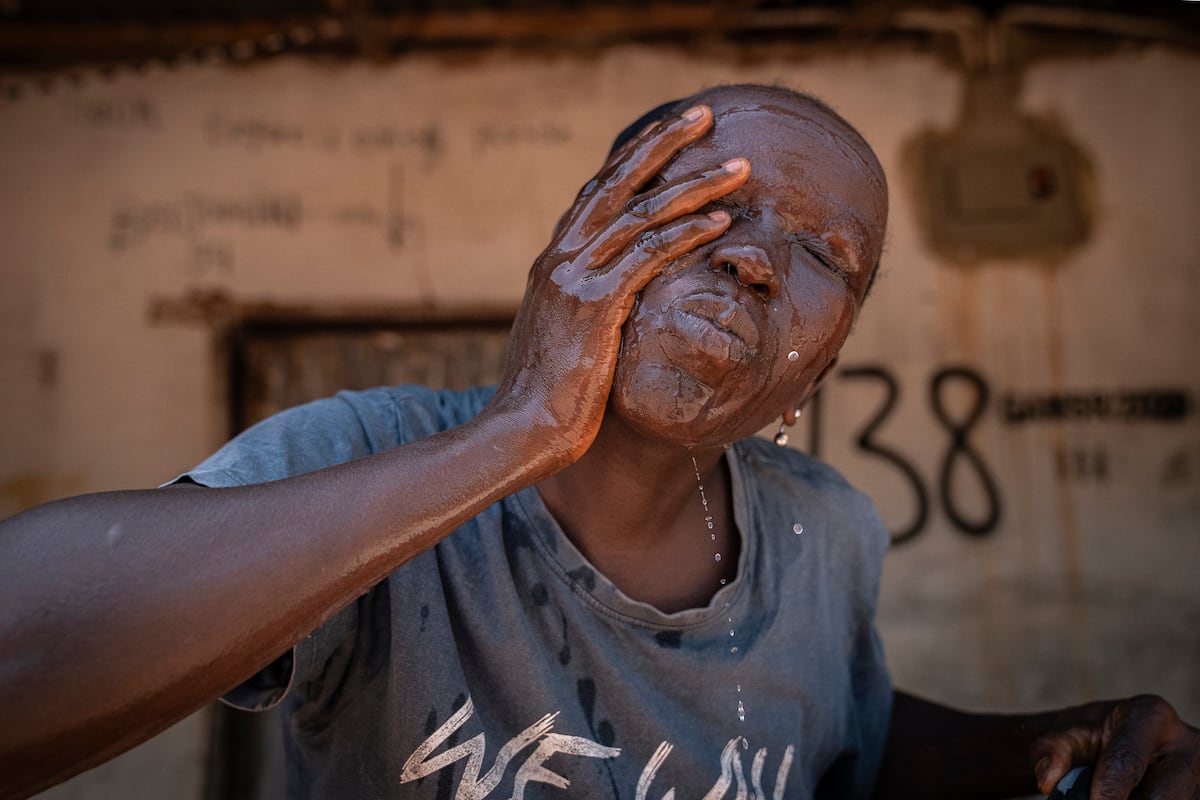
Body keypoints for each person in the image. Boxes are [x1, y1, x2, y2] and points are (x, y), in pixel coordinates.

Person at [0, 84, 1196, 800]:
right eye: (705, 203)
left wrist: (1045, 744)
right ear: (580, 233)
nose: (749, 255)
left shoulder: (819, 524)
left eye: (825, 256)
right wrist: (521, 429)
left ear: (822, 366)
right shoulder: (369, 450)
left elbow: (832, 741)